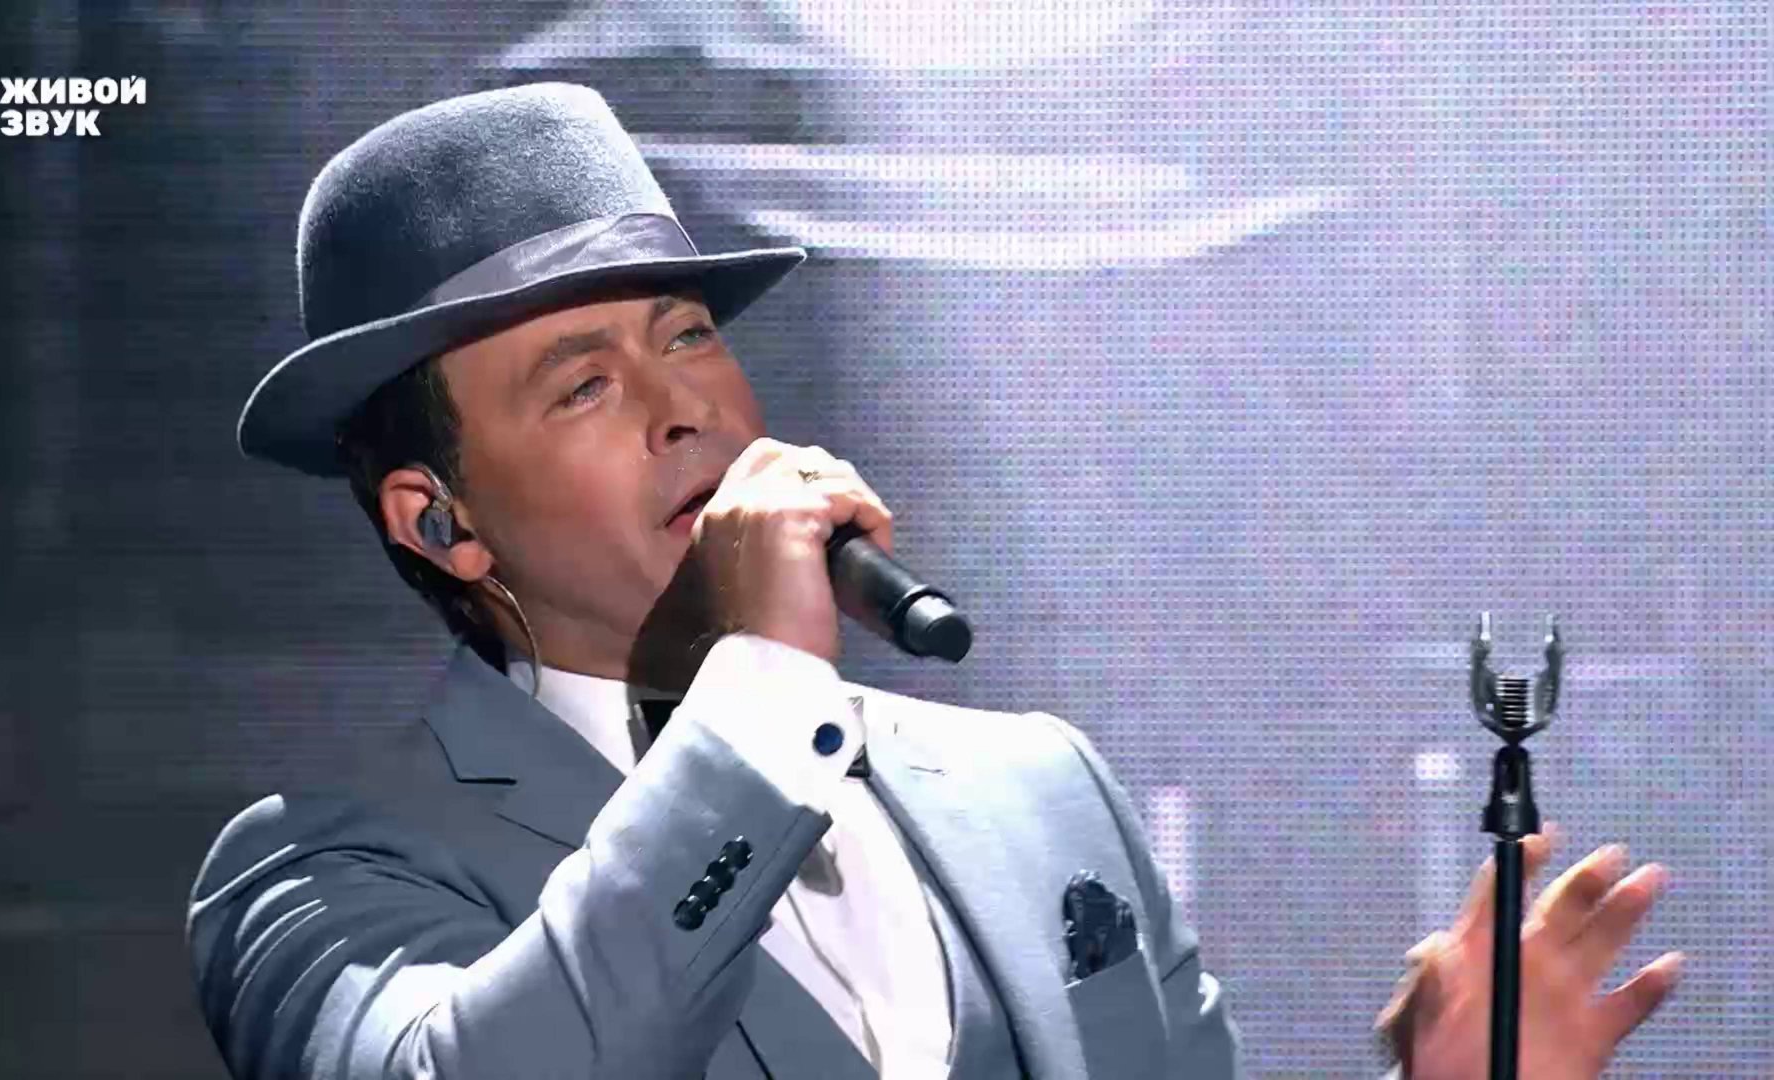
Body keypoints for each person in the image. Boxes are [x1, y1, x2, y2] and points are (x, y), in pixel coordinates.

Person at [186, 83, 1683, 1080]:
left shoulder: (1039, 789)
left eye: (689, 334)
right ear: (441, 521)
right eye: (582, 384)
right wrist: (763, 698)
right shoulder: (323, 873)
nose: (684, 406)